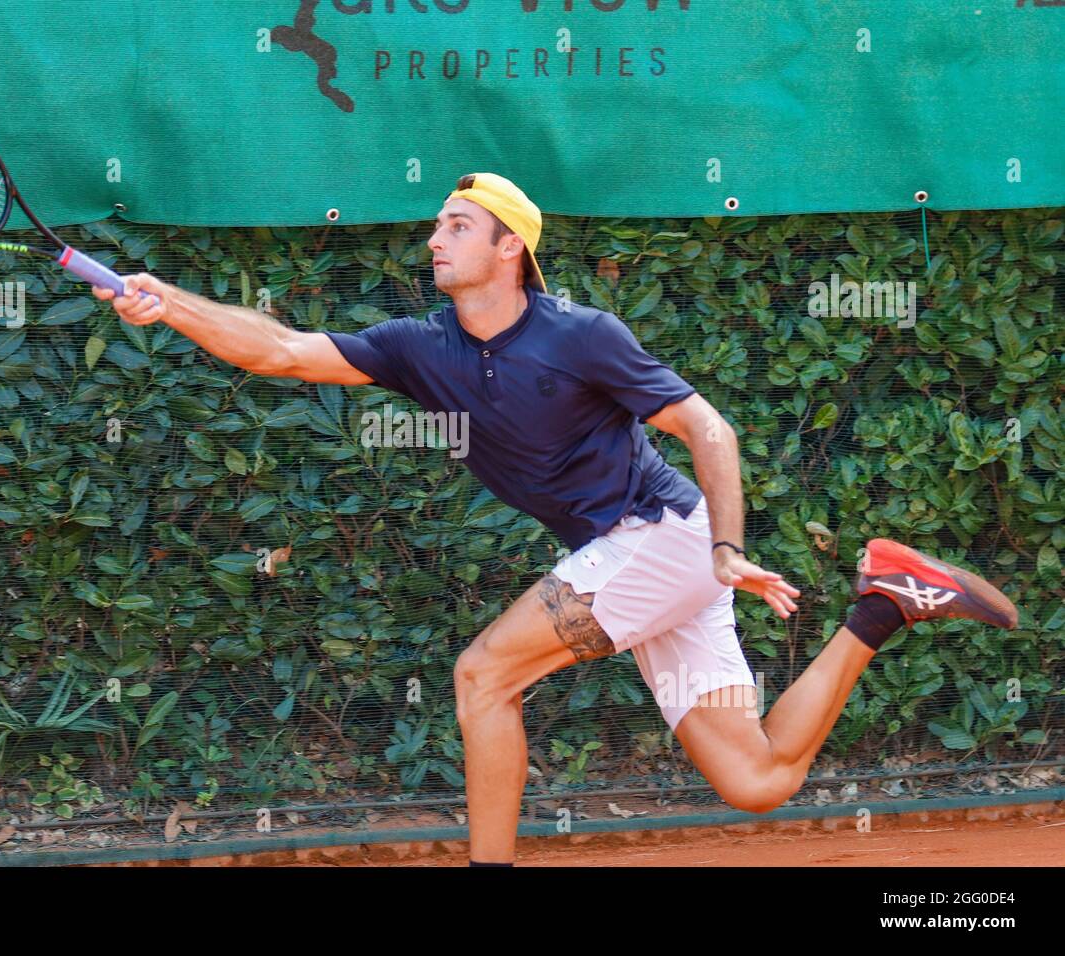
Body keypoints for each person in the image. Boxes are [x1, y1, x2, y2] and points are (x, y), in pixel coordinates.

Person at [93, 172, 1018, 866]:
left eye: (458, 226)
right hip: (648, 562)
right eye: (436, 225)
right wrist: (164, 301)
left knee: (481, 678)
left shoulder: (582, 335)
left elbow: (708, 425)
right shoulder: (421, 347)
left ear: (510, 251)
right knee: (757, 781)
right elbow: (286, 351)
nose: (434, 240)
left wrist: (729, 550)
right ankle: (887, 602)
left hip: (662, 538)